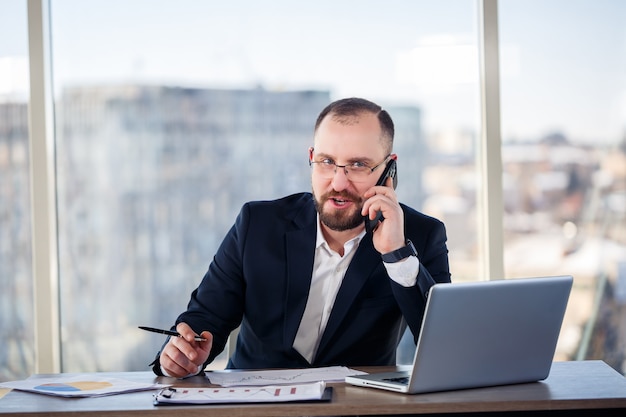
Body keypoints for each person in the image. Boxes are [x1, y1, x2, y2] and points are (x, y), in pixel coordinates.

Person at [150, 97, 451, 378]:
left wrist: (396, 255)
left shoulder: (419, 236)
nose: (338, 182)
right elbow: (205, 318)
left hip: (354, 410)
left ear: (388, 168)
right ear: (311, 157)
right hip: (254, 408)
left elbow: (445, 349)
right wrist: (182, 357)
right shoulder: (258, 224)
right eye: (327, 161)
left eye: (358, 165)